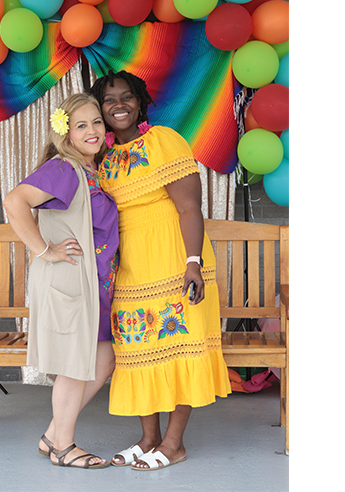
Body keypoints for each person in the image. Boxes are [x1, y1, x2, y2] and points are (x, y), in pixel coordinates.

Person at [88, 70, 232, 471]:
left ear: (140, 102)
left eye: (126, 97)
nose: (118, 105)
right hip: (132, 265)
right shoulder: (105, 156)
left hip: (174, 258)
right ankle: (148, 438)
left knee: (178, 345)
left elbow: (189, 207)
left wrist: (193, 264)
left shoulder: (163, 141)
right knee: (138, 348)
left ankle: (174, 443)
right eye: (109, 99)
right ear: (100, 110)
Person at [2, 93, 119, 469]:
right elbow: (14, 201)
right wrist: (44, 249)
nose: (93, 130)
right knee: (72, 364)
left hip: (95, 284)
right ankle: (64, 447)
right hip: (70, 282)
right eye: (81, 125)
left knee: (102, 360)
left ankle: (53, 434)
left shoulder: (90, 170)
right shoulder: (65, 169)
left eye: (97, 122)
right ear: (66, 133)